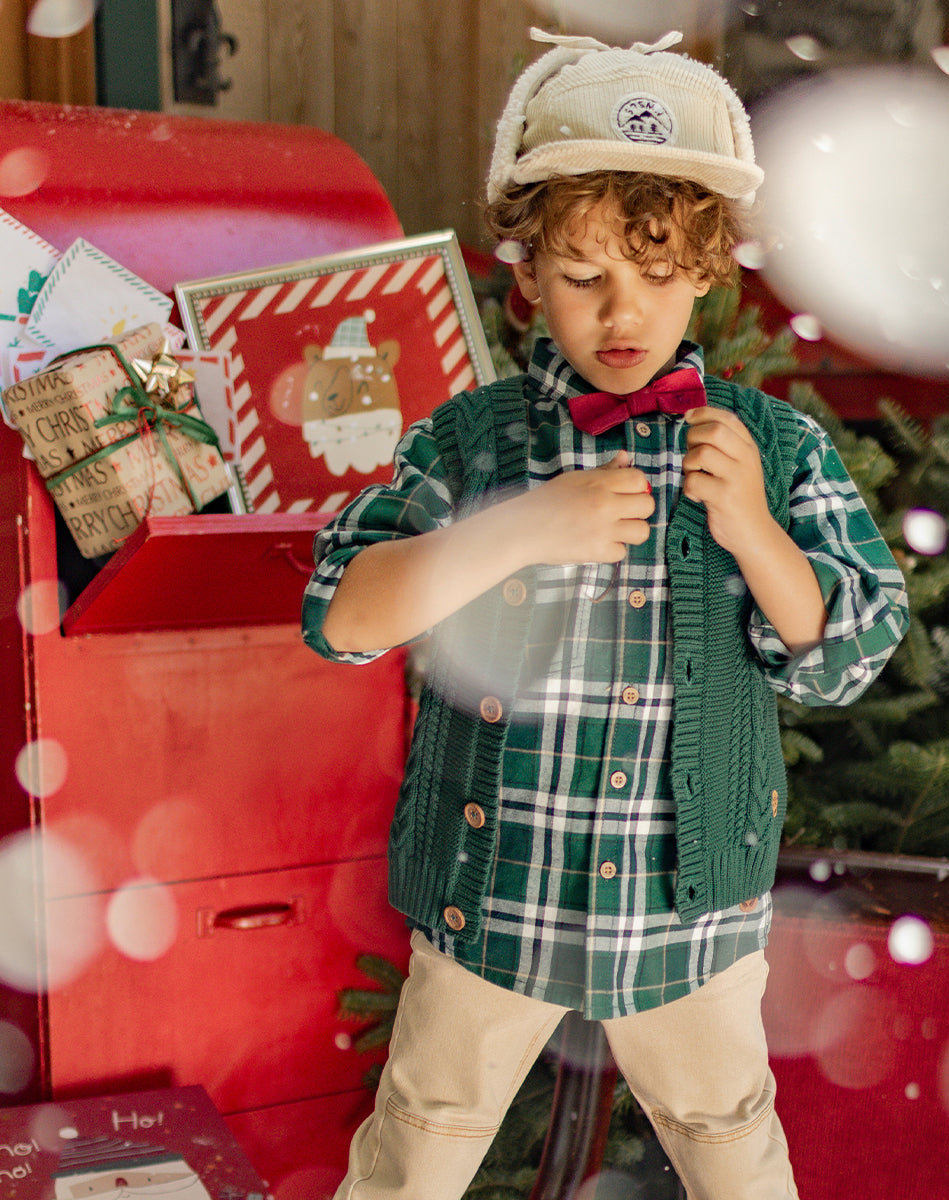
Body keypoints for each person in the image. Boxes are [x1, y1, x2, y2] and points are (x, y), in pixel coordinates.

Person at [302, 28, 909, 1200]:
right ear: (528, 273)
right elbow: (340, 615)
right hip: (494, 892)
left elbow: (850, 652)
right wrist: (517, 529)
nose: (622, 313)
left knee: (734, 1151)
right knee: (416, 1149)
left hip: (688, 913)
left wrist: (757, 533)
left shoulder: (775, 448)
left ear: (710, 270)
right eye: (584, 278)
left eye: (658, 275)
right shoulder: (469, 443)